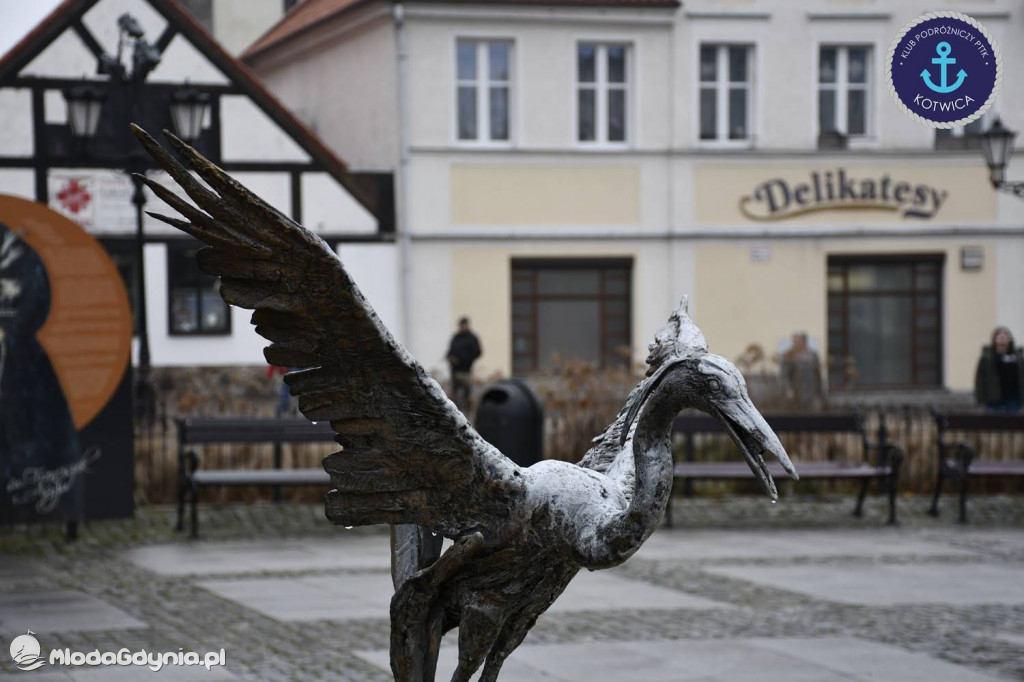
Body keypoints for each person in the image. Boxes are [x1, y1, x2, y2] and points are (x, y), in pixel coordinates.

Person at [974, 326, 1024, 412]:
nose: (1002, 337)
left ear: (1010, 339)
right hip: (994, 399)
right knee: (995, 423)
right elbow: (979, 379)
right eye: (999, 335)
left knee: (1012, 424)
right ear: (994, 339)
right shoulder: (987, 357)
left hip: (1013, 399)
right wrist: (981, 400)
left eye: (1005, 335)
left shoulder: (1018, 357)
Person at [779, 331, 824, 411]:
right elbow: (784, 374)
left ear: (803, 341)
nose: (795, 343)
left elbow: (818, 374)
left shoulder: (813, 355)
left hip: (811, 392)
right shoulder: (789, 355)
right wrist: (789, 389)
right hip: (796, 392)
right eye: (794, 341)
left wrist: (820, 391)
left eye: (797, 341)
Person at [447, 317, 481, 412]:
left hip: (466, 371)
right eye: (461, 325)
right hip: (455, 372)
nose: (463, 327)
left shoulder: (472, 338)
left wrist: (465, 360)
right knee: (453, 398)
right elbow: (449, 352)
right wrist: (451, 358)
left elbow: (477, 352)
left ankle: (468, 414)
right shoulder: (456, 338)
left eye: (464, 325)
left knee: (468, 396)